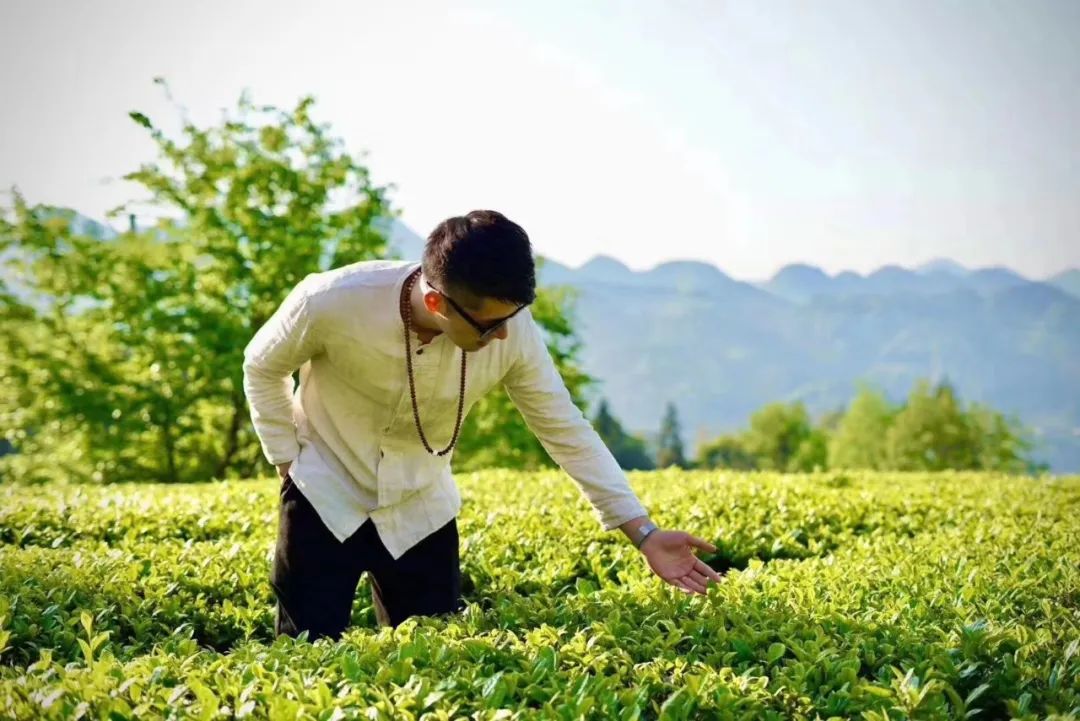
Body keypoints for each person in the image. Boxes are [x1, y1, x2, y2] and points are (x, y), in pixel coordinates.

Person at [242, 209, 723, 641]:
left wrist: (643, 533)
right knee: (307, 654)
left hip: (421, 510)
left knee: (434, 668)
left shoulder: (513, 330)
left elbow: (566, 430)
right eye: (490, 326)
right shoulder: (330, 301)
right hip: (323, 497)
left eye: (512, 317)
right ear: (437, 304)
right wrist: (286, 458)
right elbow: (261, 365)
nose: (506, 334)